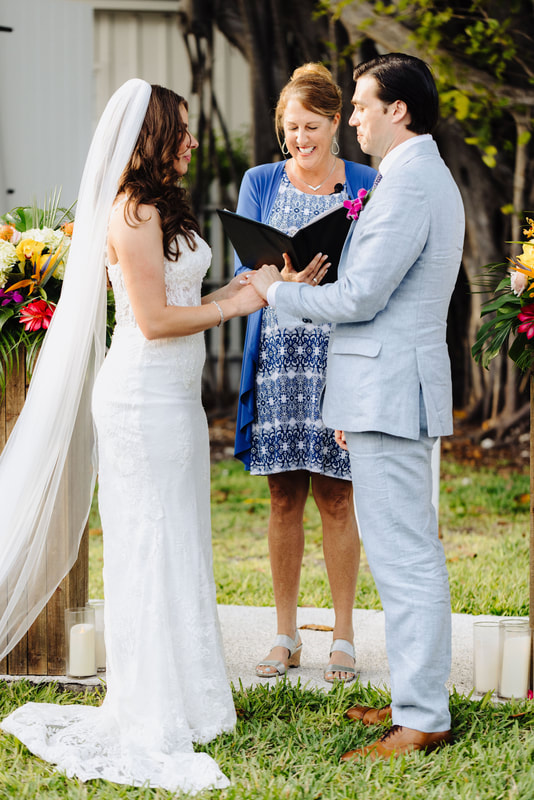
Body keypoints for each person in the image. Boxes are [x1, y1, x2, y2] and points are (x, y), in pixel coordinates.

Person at [0, 79, 264, 792]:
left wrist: (249, 289)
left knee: (179, 536)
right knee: (148, 543)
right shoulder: (132, 209)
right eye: (181, 131)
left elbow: (185, 300)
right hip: (141, 397)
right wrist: (235, 304)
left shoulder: (163, 207)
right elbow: (153, 322)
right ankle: (151, 706)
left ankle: (192, 695)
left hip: (172, 399)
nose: (193, 141)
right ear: (149, 137)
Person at [248, 53, 465, 759]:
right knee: (404, 554)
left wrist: (278, 291)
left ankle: (424, 718)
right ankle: (412, 698)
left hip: (392, 390)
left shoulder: (407, 185)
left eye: (365, 106)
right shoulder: (409, 177)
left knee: (406, 559)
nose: (357, 118)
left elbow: (360, 298)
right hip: (381, 388)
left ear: (397, 110)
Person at [233, 63, 376, 682]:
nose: (300, 139)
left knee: (338, 497)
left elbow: (378, 273)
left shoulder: (367, 182)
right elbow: (247, 276)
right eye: (291, 128)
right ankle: (285, 634)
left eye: (311, 127)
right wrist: (278, 284)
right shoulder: (260, 181)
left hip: (338, 358)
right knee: (284, 494)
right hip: (279, 363)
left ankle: (343, 635)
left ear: (336, 122)